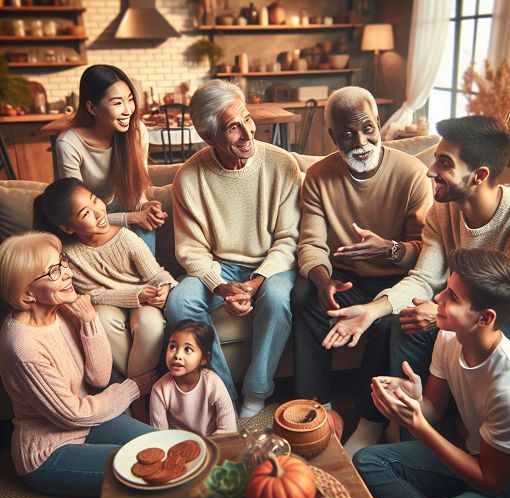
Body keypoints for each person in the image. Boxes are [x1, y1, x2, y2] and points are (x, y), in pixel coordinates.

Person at [325, 115, 510, 454]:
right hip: (463, 311)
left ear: (480, 175)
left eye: (444, 163)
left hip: (498, 326)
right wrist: (370, 311)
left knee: (422, 320)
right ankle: (408, 444)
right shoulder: (442, 212)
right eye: (435, 158)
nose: (430, 171)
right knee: (403, 319)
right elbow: (424, 277)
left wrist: (442, 312)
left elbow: (503, 307)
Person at [291, 86, 432, 440]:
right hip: (346, 280)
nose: (360, 141)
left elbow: (427, 250)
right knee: (304, 295)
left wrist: (391, 249)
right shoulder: (319, 177)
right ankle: (317, 407)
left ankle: (369, 421)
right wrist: (323, 281)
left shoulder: (412, 173)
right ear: (332, 136)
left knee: (389, 324)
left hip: (397, 280)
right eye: (348, 133)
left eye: (367, 128)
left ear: (379, 123)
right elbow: (311, 243)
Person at [166, 79, 301, 418]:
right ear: (209, 136)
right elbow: (191, 251)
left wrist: (257, 281)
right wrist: (222, 287)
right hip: (219, 266)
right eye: (233, 128)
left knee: (277, 296)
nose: (248, 133)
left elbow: (289, 238)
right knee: (180, 300)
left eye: (247, 119)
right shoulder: (189, 177)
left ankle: (256, 395)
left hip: (272, 264)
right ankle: (223, 394)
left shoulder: (281, 164)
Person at [0, 232, 156, 497]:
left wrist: (90, 321)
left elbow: (99, 377)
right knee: (146, 470)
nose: (66, 274)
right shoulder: (22, 345)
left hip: (88, 425)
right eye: (53, 272)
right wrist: (131, 389)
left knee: (159, 447)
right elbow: (73, 414)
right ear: (27, 294)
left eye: (62, 263)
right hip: (49, 453)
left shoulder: (62, 309)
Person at [354, 248, 510, 498]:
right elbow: (433, 409)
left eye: (452, 297)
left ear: (485, 318)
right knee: (367, 461)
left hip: (501, 483)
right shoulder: (450, 337)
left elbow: (491, 484)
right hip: (473, 457)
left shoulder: (505, 387)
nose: (438, 297)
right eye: (445, 289)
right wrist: (415, 400)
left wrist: (418, 426)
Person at [33, 177, 178, 422]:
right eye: (85, 213)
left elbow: (155, 274)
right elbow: (92, 295)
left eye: (95, 201)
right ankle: (141, 392)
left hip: (142, 299)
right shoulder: (69, 254)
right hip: (109, 303)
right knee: (99, 318)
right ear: (68, 228)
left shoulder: (126, 238)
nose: (99, 212)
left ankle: (135, 396)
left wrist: (164, 286)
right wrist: (135, 295)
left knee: (150, 325)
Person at [56, 64, 166, 254]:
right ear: (92, 108)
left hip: (117, 204)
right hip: (85, 218)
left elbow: (137, 186)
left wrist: (144, 206)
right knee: (137, 221)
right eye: (117, 103)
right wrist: (132, 217)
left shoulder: (137, 130)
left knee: (146, 223)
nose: (127, 111)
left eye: (130, 100)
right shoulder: (68, 144)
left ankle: (151, 280)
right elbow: (80, 214)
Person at [150, 319, 237, 435]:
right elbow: (159, 435)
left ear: (204, 358)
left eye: (187, 349)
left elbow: (228, 431)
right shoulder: (159, 389)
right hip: (177, 446)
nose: (177, 355)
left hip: (212, 443)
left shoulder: (213, 384)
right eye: (172, 347)